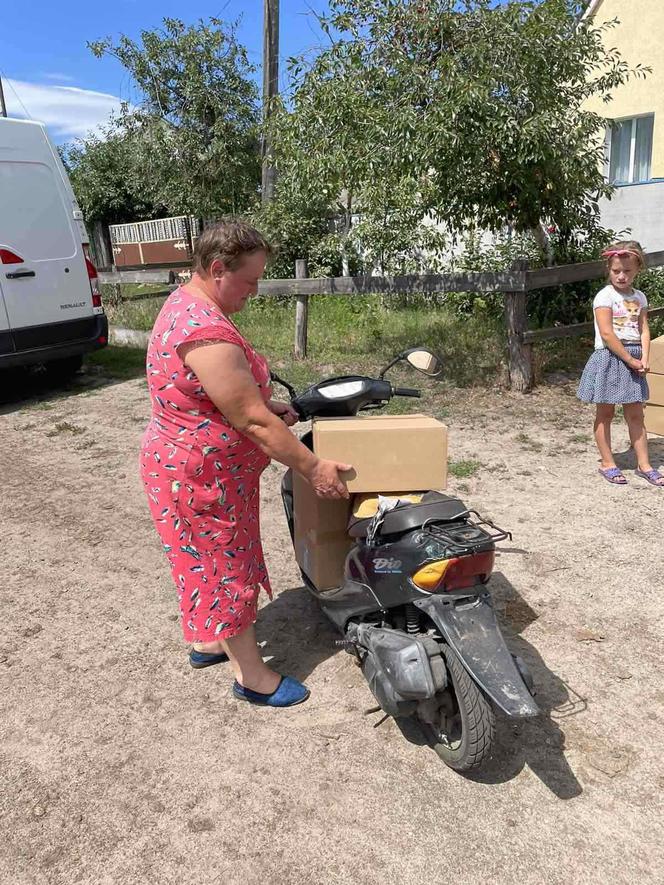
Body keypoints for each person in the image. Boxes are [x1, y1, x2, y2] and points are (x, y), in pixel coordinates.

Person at [140, 219, 351, 707]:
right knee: (223, 569)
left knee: (202, 563)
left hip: (186, 469)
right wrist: (312, 467)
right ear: (217, 269)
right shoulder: (205, 330)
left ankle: (209, 641)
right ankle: (253, 678)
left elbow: (211, 396)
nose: (254, 291)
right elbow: (252, 422)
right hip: (200, 479)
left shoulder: (184, 304)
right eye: (250, 280)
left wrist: (261, 402)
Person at [577, 239, 663, 487]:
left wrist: (644, 357)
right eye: (616, 271)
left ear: (638, 269)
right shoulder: (605, 296)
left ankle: (644, 464)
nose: (622, 276)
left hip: (635, 356)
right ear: (609, 269)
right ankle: (608, 462)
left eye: (627, 271)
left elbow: (643, 329)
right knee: (605, 412)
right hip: (611, 357)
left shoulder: (640, 297)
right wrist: (629, 359)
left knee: (636, 414)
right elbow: (607, 333)